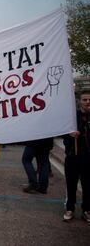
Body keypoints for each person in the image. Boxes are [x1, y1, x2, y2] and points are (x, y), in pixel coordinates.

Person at [62, 91, 90, 222]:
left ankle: (86, 210)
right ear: (79, 101)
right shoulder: (72, 117)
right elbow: (62, 132)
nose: (87, 102)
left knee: (88, 185)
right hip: (73, 156)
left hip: (87, 158)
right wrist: (70, 133)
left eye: (89, 100)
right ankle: (70, 209)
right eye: (84, 100)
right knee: (71, 184)